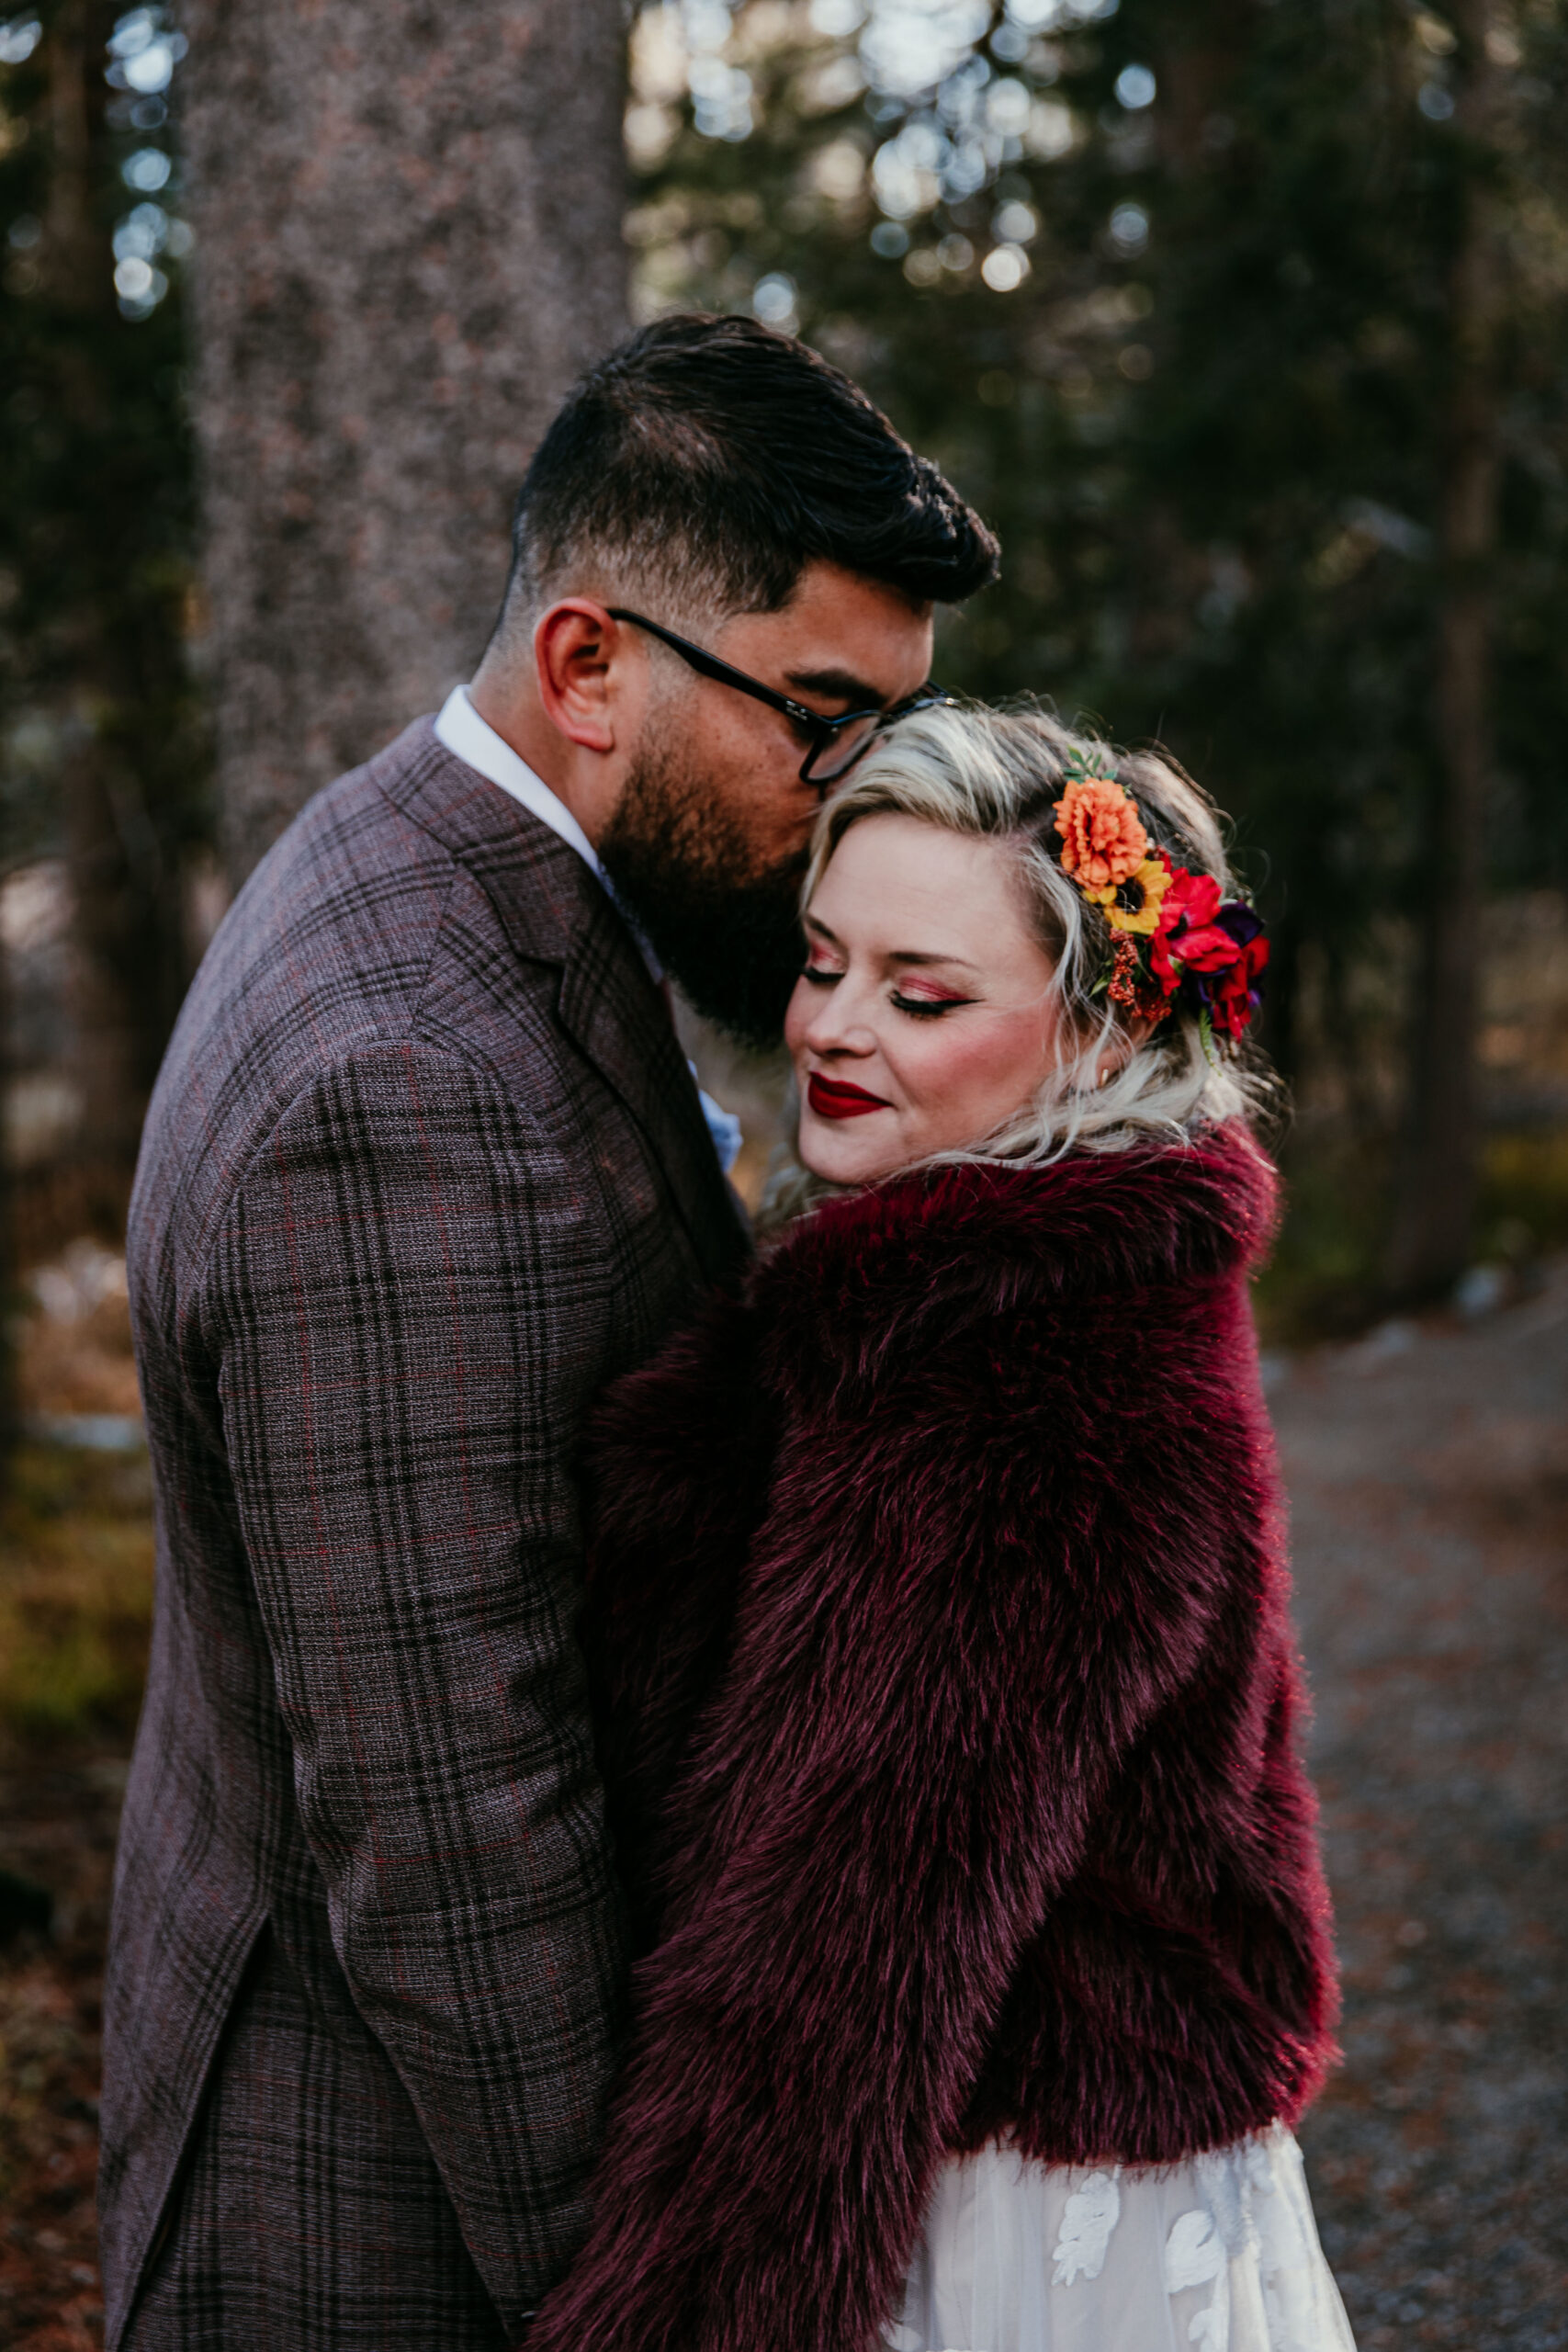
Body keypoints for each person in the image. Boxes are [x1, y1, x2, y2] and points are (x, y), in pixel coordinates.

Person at [97, 314, 998, 2352]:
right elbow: (450, 1840)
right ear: (593, 668)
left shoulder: (449, 862)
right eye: (823, 722)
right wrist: (667, 2307)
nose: (861, 805)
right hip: (385, 2224)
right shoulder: (401, 1087)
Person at [525, 705, 1357, 2352]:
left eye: (922, 996)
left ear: (1106, 1040)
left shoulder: (1026, 1395)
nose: (832, 1027)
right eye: (823, 959)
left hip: (1006, 2207)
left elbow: (831, 1976)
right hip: (997, 2150)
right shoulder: (1004, 1286)